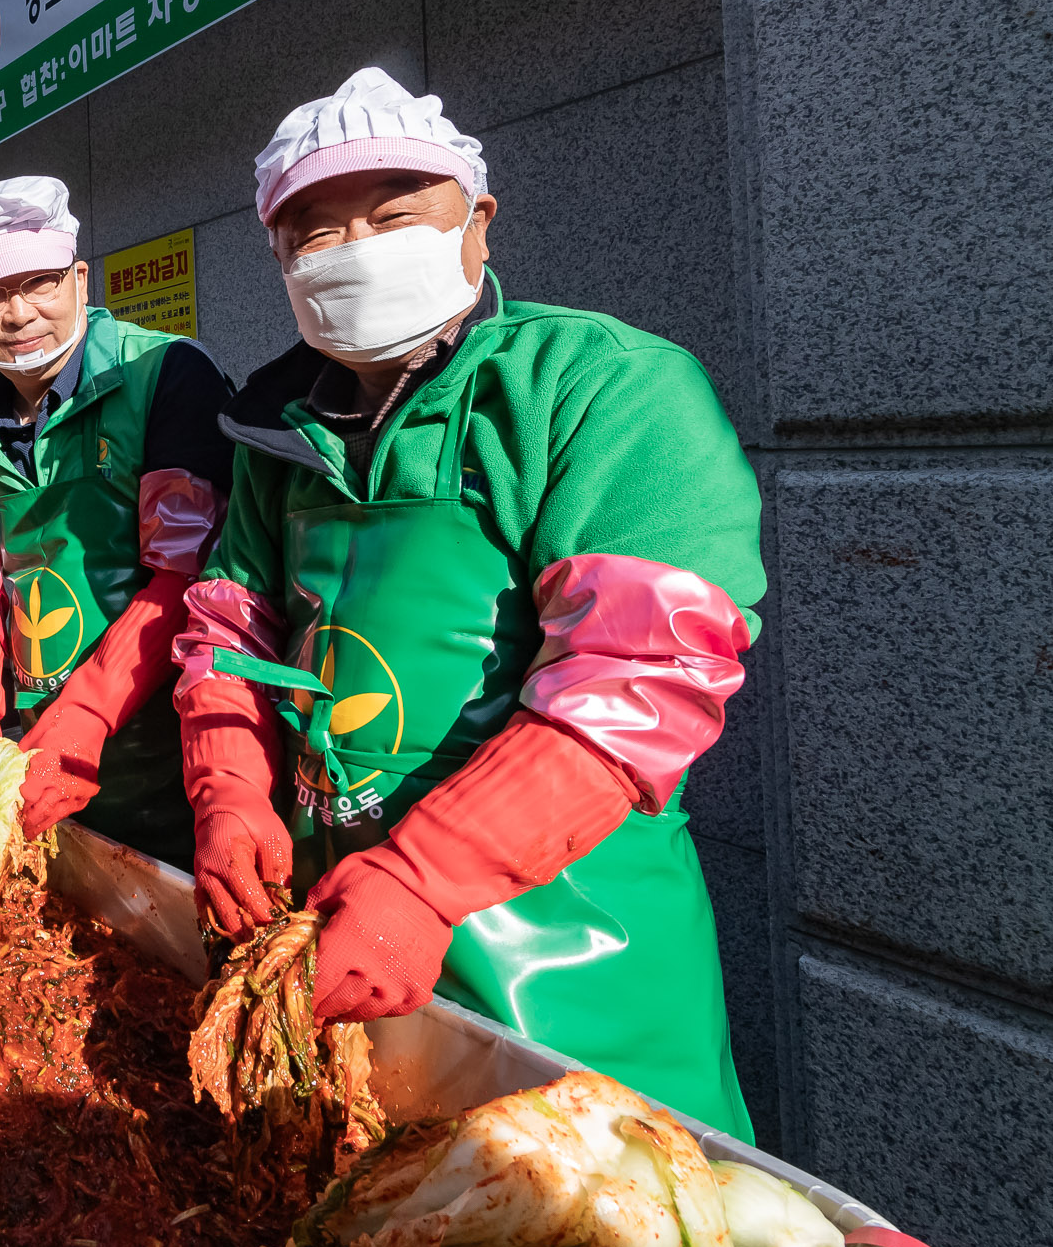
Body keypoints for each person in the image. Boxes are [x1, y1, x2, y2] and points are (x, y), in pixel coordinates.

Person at [174, 66, 761, 1135]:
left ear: (476, 221)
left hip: (568, 946)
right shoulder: (275, 428)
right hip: (334, 922)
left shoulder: (601, 385)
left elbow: (640, 677)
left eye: (393, 213)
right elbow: (226, 627)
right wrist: (226, 788)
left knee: (597, 1203)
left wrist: (423, 874)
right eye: (312, 231)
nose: (353, 247)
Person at [0, 177, 236, 872]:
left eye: (40, 281)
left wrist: (88, 712)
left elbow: (187, 575)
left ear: (81, 277)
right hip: (37, 752)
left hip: (174, 756)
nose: (19, 312)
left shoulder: (165, 372)